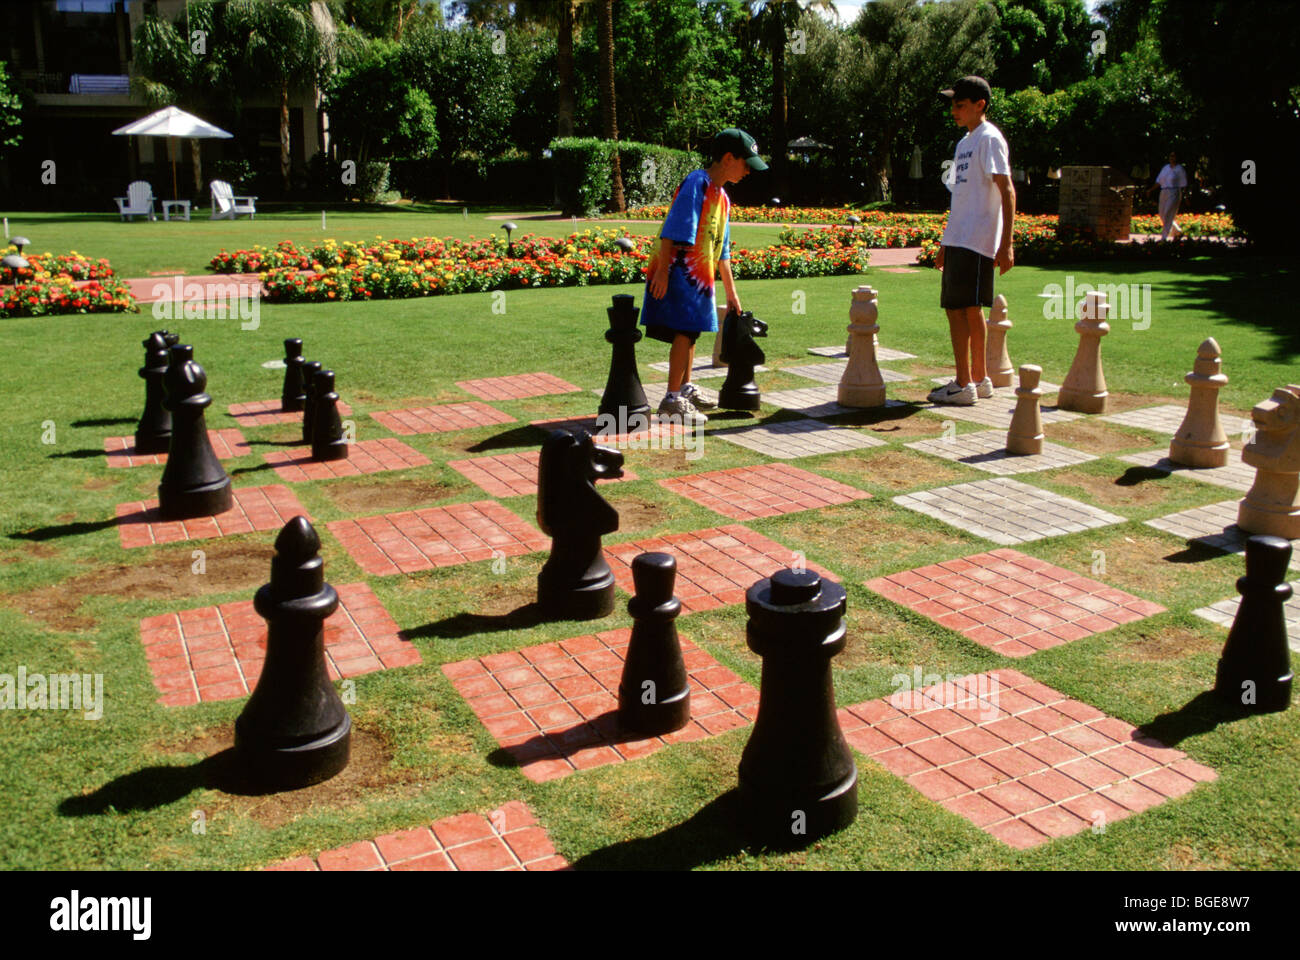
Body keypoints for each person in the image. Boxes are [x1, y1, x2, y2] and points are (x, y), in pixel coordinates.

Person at [642, 128, 767, 424]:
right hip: (678, 270)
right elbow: (675, 225)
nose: (748, 171)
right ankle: (671, 399)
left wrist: (731, 293)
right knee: (684, 331)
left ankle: (684, 389)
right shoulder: (697, 182)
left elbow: (722, 250)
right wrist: (661, 272)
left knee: (693, 331)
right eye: (745, 163)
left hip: (700, 277)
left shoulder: (723, 198)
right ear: (727, 158)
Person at [928, 75, 1016, 407]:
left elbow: (1007, 189)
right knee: (958, 308)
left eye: (960, 105)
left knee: (967, 308)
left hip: (978, 239)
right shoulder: (965, 143)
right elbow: (961, 198)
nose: (954, 110)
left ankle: (966, 382)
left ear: (980, 105)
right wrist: (945, 243)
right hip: (959, 238)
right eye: (952, 104)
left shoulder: (989, 138)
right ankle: (977, 379)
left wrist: (1006, 242)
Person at [1150, 151, 1188, 240]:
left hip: (1174, 192)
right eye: (1171, 156)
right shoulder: (1165, 168)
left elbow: (1184, 184)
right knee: (1162, 213)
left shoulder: (1180, 169)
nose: (1172, 158)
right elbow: (1159, 181)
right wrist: (1150, 190)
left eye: (1174, 156)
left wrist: (1186, 197)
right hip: (1164, 192)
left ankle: (1164, 237)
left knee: (1168, 213)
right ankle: (1177, 230)